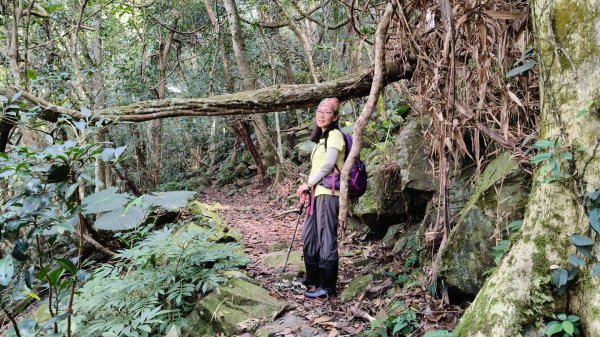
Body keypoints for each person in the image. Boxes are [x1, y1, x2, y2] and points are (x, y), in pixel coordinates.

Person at [296, 97, 345, 299]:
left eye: (327, 112)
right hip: (317, 194)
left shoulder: (334, 135)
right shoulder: (321, 139)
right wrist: (308, 189)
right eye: (319, 111)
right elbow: (318, 167)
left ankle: (327, 287)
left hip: (329, 193)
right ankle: (313, 278)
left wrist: (308, 184)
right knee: (309, 236)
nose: (322, 115)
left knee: (326, 238)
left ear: (335, 117)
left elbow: (328, 165)